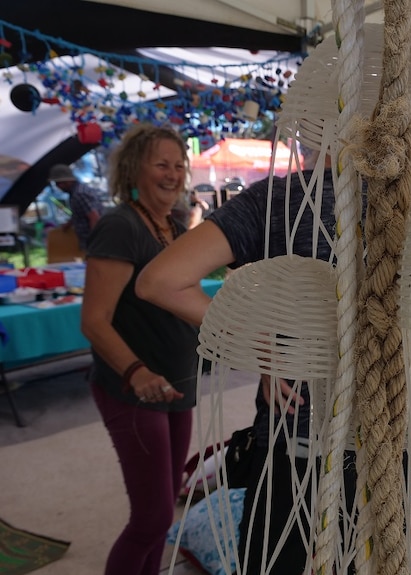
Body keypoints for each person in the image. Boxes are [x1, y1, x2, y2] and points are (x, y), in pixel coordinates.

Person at [136, 164, 357, 575]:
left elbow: (161, 281)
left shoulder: (278, 198)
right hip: (384, 430)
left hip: (300, 432)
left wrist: (262, 344)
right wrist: (263, 345)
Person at [80, 124, 199, 575]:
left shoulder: (173, 225)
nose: (173, 174)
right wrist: (137, 372)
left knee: (164, 513)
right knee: (150, 519)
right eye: (161, 164)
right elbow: (93, 320)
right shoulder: (119, 225)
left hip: (177, 385)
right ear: (133, 169)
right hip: (135, 389)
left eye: (178, 165)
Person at [47, 163, 104, 250]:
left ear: (68, 181)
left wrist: (95, 242)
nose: (59, 187)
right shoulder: (78, 191)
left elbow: (94, 217)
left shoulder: (79, 194)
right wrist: (69, 224)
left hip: (93, 242)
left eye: (60, 183)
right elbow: (81, 212)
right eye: (57, 184)